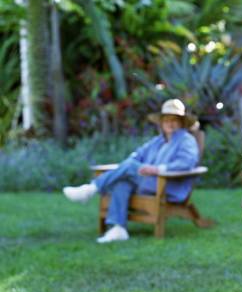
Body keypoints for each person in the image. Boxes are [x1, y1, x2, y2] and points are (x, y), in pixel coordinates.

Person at [63, 99, 200, 243]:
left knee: (129, 167)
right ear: (161, 122)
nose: (170, 123)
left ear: (182, 122)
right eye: (166, 119)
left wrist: (157, 169)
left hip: (168, 185)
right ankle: (118, 229)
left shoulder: (186, 140)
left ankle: (91, 189)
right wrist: (133, 165)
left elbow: (187, 162)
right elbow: (137, 154)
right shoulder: (157, 141)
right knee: (122, 181)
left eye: (174, 120)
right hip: (149, 182)